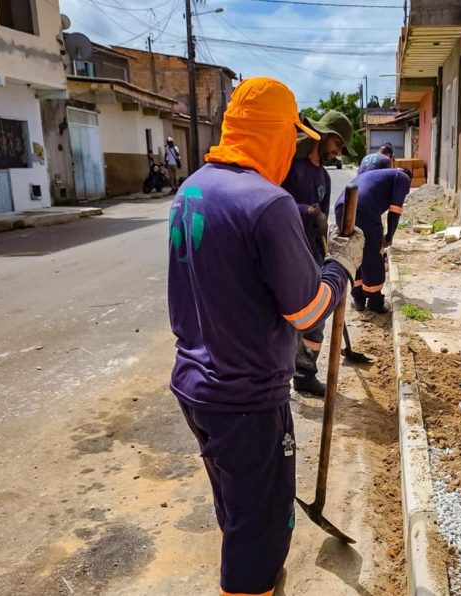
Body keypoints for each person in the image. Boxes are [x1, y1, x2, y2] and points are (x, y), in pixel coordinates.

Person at [167, 77, 364, 596]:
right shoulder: (267, 202)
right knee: (262, 533)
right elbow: (307, 311)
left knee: (238, 511)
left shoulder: (192, 188)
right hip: (247, 400)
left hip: (196, 387)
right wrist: (341, 266)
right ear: (277, 134)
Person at [281, 110, 356, 397]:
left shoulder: (323, 175)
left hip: (311, 253)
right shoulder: (289, 165)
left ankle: (305, 373)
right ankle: (280, 375)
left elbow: (322, 218)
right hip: (286, 254)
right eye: (338, 145)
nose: (338, 153)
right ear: (326, 136)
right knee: (289, 320)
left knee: (317, 319)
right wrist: (304, 211)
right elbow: (270, 203)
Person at [335, 167, 411, 314]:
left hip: (341, 207)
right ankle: (375, 301)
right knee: (372, 255)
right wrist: (389, 236)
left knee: (355, 253)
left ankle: (358, 298)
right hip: (363, 208)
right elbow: (395, 211)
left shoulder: (381, 175)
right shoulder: (403, 177)